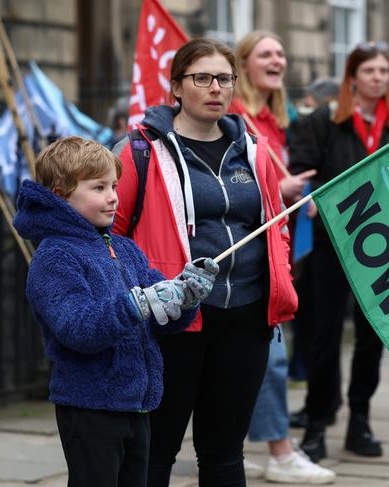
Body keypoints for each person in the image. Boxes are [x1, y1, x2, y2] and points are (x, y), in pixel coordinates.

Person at [112, 38, 298, 486]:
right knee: (156, 452)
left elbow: (277, 226)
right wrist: (150, 293)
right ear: (176, 87)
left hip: (247, 320)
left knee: (224, 454)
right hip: (175, 324)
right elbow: (111, 234)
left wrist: (280, 277)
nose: (215, 88)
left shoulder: (254, 151)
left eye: (224, 79)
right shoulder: (141, 151)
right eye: (202, 78)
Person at [12, 136, 218, 487]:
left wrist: (186, 296)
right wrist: (136, 304)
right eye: (98, 187)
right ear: (61, 194)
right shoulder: (54, 257)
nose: (113, 197)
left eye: (113, 186)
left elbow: (160, 320)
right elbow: (77, 327)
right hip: (90, 404)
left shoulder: (125, 248)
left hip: (136, 403)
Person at [289, 41, 389, 463]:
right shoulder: (324, 121)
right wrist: (312, 196)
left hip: (380, 246)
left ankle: (360, 419)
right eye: (370, 70)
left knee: (373, 335)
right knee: (325, 333)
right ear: (352, 77)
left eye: (384, 71)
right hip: (332, 243)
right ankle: (317, 423)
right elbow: (303, 172)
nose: (379, 78)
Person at [230, 30, 334, 484]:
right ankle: (280, 452)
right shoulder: (234, 115)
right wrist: (282, 189)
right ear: (245, 64)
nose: (279, 60)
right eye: (266, 53)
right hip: (244, 249)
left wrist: (297, 195)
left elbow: (279, 174)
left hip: (275, 246)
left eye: (281, 52)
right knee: (270, 354)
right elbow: (231, 182)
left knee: (244, 355)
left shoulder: (276, 119)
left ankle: (230, 446)